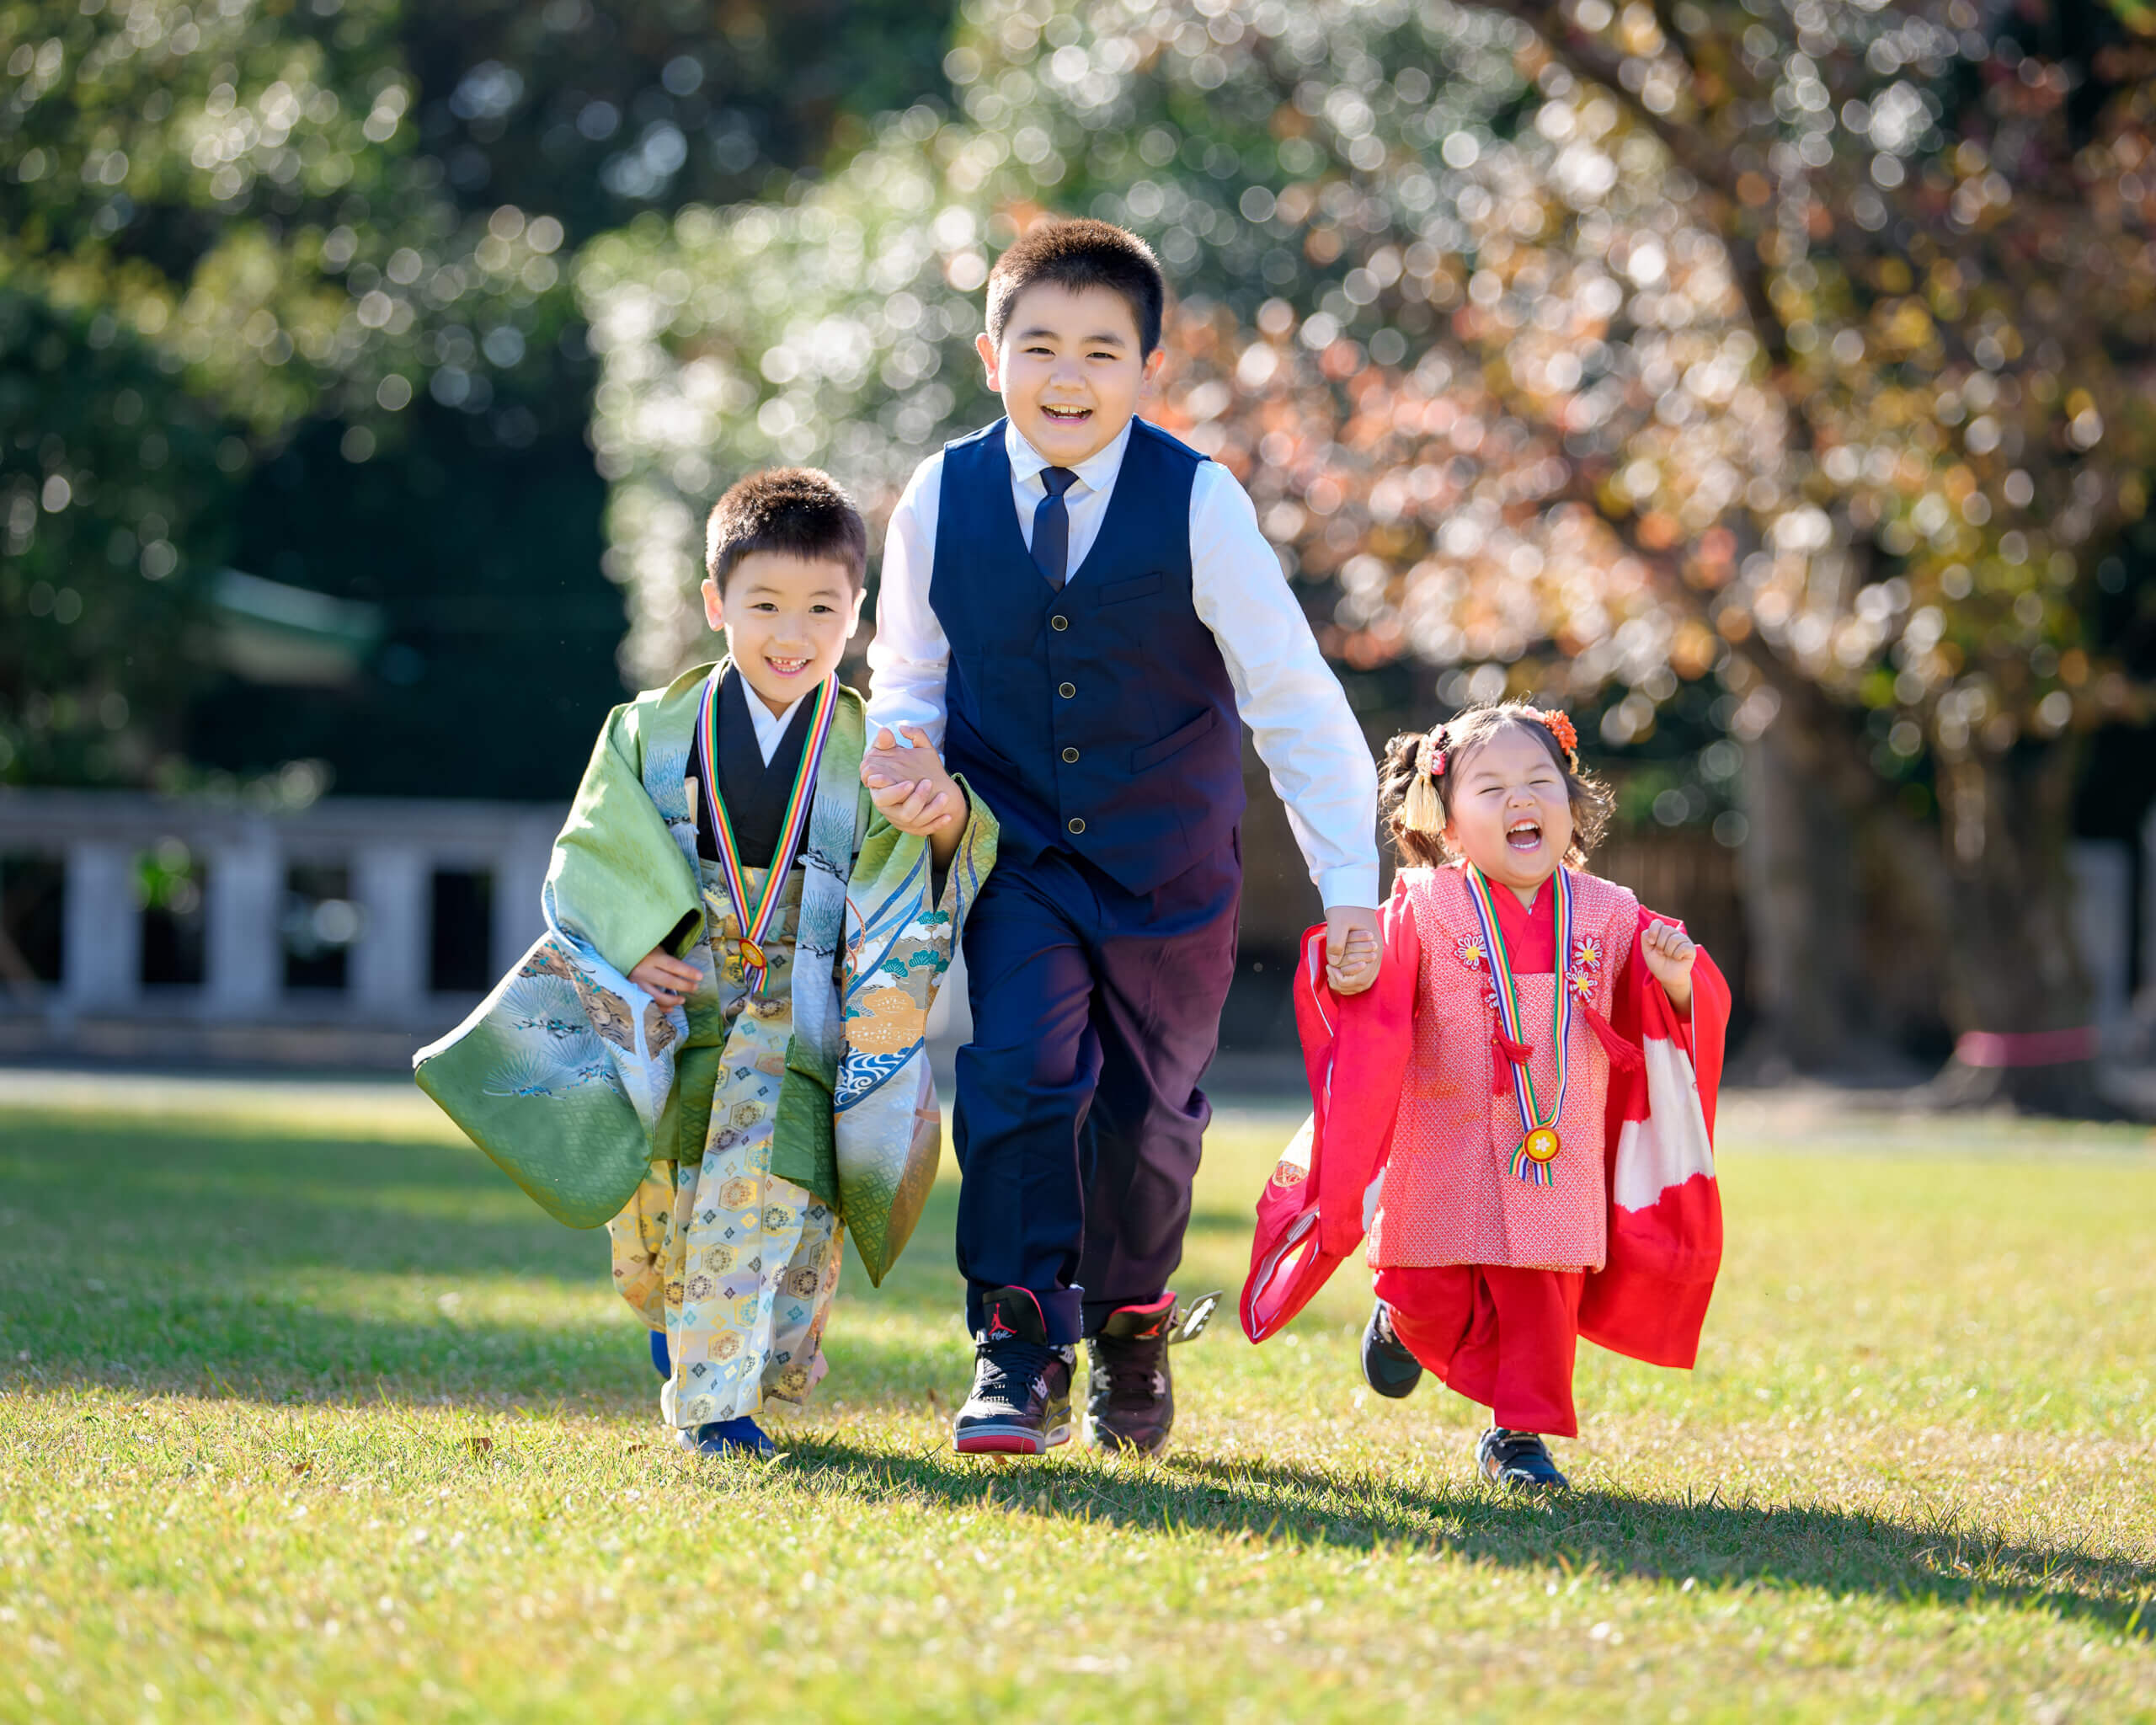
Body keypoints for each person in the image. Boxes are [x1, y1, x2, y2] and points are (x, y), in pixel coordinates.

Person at [860, 216, 1382, 1458]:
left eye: (1102, 349)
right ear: (992, 358)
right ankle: (1017, 1343)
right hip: (1016, 857)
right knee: (1018, 1076)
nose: (1069, 376)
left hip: (1171, 869)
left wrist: (1350, 888)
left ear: (1149, 368)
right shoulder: (941, 493)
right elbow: (906, 678)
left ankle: (1135, 1325)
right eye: (1038, 346)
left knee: (1151, 1117)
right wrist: (907, 768)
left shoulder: (1200, 502)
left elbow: (1293, 699)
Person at [416, 469, 995, 1457]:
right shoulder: (648, 731)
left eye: (823, 607)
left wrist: (944, 826)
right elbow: (596, 844)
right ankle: (690, 1341)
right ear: (713, 602)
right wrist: (637, 938)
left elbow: (922, 869)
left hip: (803, 1013)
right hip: (680, 1005)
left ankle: (714, 1407)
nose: (792, 632)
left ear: (858, 615)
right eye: (764, 603)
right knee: (659, 1221)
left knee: (778, 1208)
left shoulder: (873, 749)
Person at [1240, 702, 1730, 1491]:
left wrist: (1675, 980)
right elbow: (1375, 998)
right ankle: (1399, 1321)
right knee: (1425, 1285)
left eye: (1541, 781)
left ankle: (1520, 1438)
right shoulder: (1423, 907)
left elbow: (1669, 1013)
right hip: (1447, 1139)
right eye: (1492, 787)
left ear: (1573, 804)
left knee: (1543, 1303)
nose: (1521, 801)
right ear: (1445, 820)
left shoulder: (1609, 911)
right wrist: (1357, 971)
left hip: (1556, 1150)